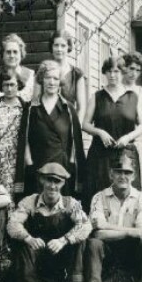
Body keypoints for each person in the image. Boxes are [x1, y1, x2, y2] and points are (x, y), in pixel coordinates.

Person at [7, 163, 91, 282]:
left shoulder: (71, 203)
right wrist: (28, 238)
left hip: (62, 258)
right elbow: (12, 224)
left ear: (63, 183)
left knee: (79, 240)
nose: (52, 186)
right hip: (35, 258)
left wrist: (64, 240)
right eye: (48, 180)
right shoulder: (29, 201)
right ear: (41, 180)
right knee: (21, 242)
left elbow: (86, 225)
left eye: (57, 181)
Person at [83, 57, 142, 209]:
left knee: (125, 195)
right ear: (105, 73)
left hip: (125, 154)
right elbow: (85, 124)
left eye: (117, 71)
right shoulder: (97, 96)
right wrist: (100, 132)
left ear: (123, 72)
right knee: (99, 196)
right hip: (100, 155)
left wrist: (128, 137)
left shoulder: (133, 96)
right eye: (109, 71)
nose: (113, 75)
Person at [25, 60, 85, 197]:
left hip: (62, 166)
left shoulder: (68, 109)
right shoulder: (31, 108)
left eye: (55, 78)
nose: (51, 82)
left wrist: (70, 164)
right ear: (41, 80)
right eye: (48, 78)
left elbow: (75, 141)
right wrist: (29, 164)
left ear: (60, 82)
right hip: (38, 165)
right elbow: (25, 139)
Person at [0, 72, 30, 202]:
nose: (9, 89)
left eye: (12, 84)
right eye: (5, 85)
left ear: (18, 85)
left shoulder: (25, 109)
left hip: (15, 159)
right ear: (1, 87)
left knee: (14, 195)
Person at [33, 30, 87, 122]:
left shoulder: (77, 74)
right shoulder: (42, 69)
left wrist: (76, 128)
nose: (59, 49)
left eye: (63, 46)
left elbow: (81, 107)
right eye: (56, 45)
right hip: (45, 123)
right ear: (51, 47)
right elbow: (35, 100)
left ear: (68, 47)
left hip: (68, 125)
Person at [120, 52, 142, 189]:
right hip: (119, 142)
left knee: (139, 183)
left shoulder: (141, 92)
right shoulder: (116, 89)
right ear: (124, 68)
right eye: (131, 68)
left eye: (138, 70)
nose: (134, 73)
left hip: (137, 144)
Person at [0, 34, 35, 102]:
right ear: (2, 54)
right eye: (8, 52)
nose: (12, 55)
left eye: (15, 52)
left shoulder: (32, 77)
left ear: (21, 54)